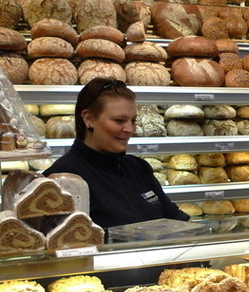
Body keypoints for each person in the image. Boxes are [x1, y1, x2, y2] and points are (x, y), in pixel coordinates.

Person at [43, 77, 189, 229]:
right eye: (119, 120)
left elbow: (176, 219)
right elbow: (65, 239)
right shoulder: (63, 178)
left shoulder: (138, 167)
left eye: (133, 121)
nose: (130, 129)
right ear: (89, 119)